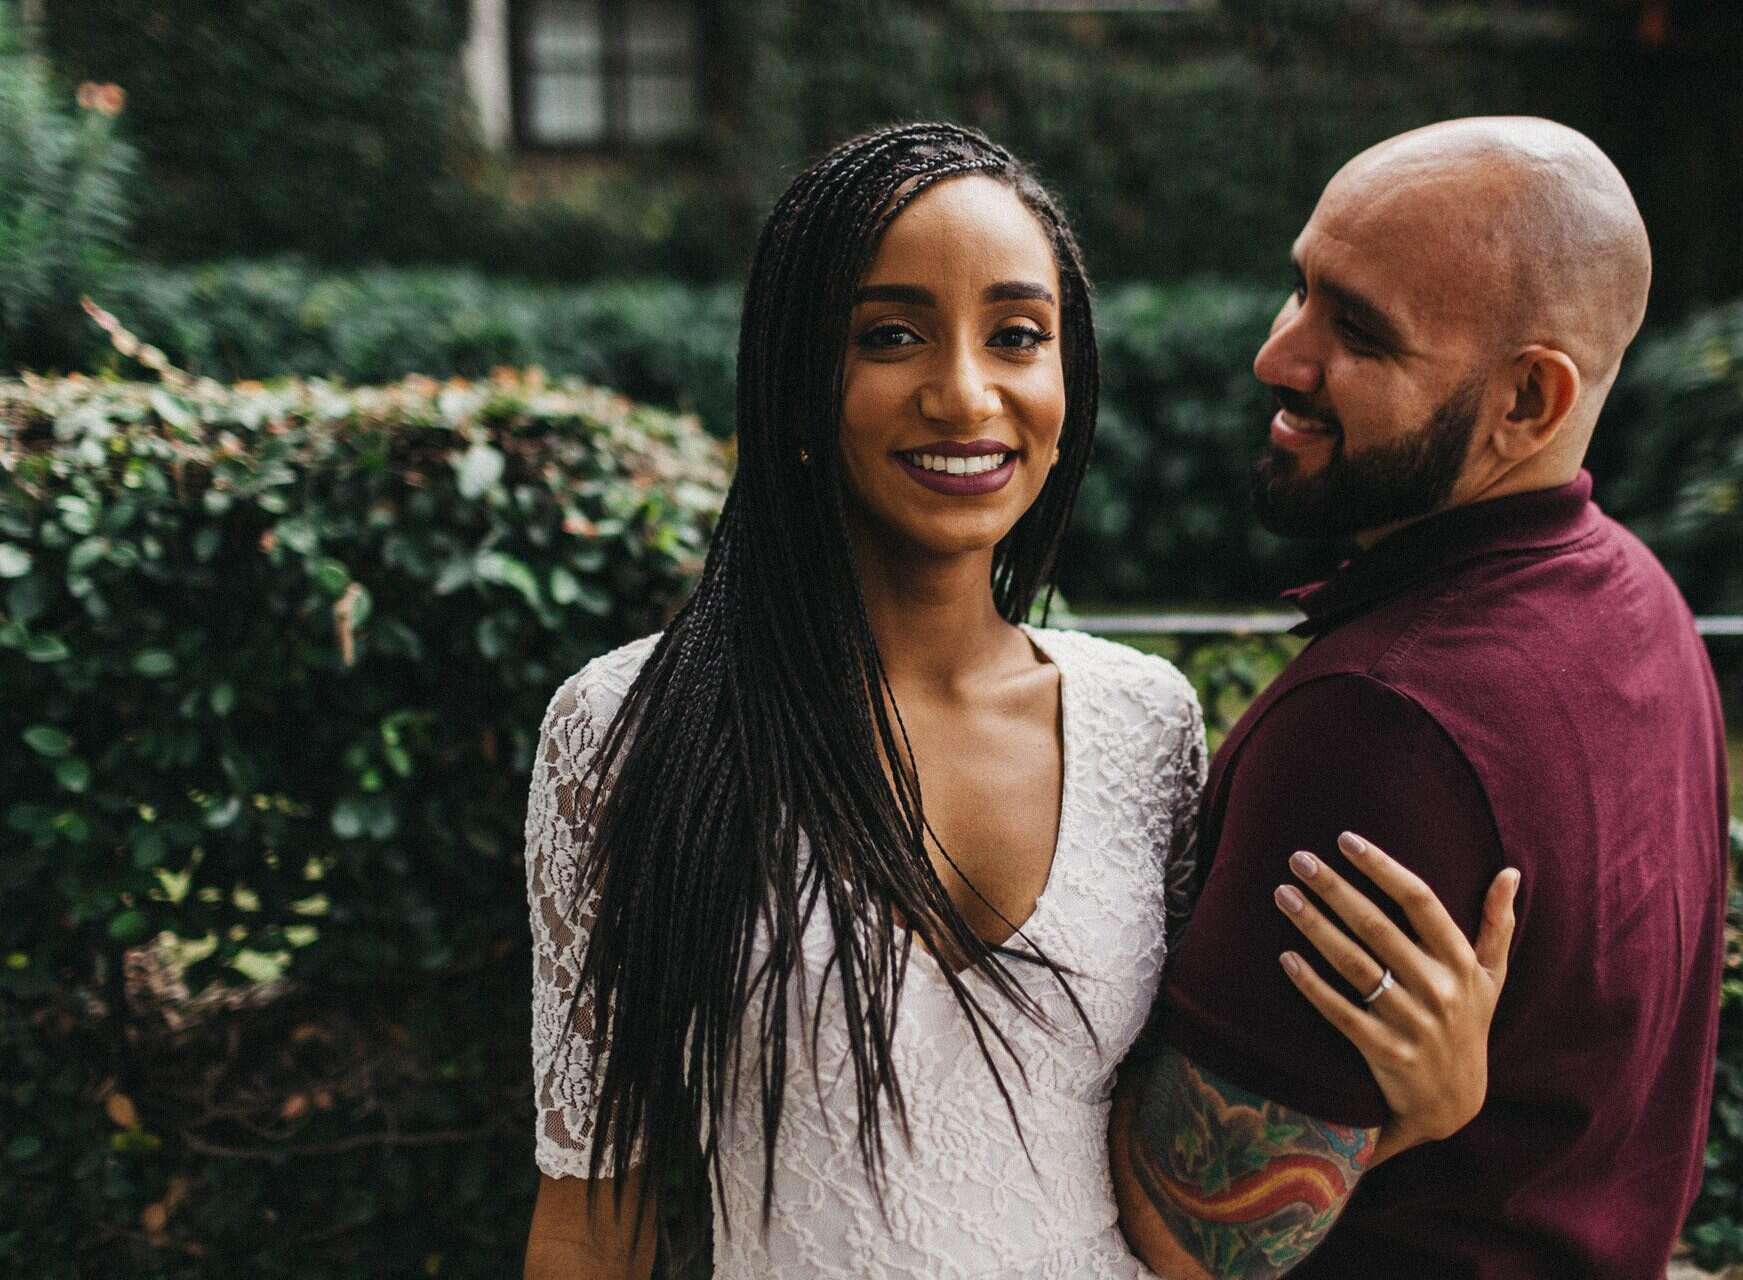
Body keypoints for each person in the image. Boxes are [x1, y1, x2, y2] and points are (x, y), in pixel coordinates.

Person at [519, 123, 1513, 1280]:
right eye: (889, 335)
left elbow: (1181, 1179)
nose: (963, 391)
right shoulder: (628, 726)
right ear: (794, 379)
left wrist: (1422, 1111)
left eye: (1017, 335)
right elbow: (592, 1218)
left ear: (1066, 377)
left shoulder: (1144, 722)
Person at [1112, 117, 1729, 1279]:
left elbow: (1190, 1238)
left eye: (1357, 330)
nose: (1278, 354)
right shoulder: (1638, 597)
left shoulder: (1381, 723)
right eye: (1301, 287)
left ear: (1528, 400)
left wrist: (1418, 1117)